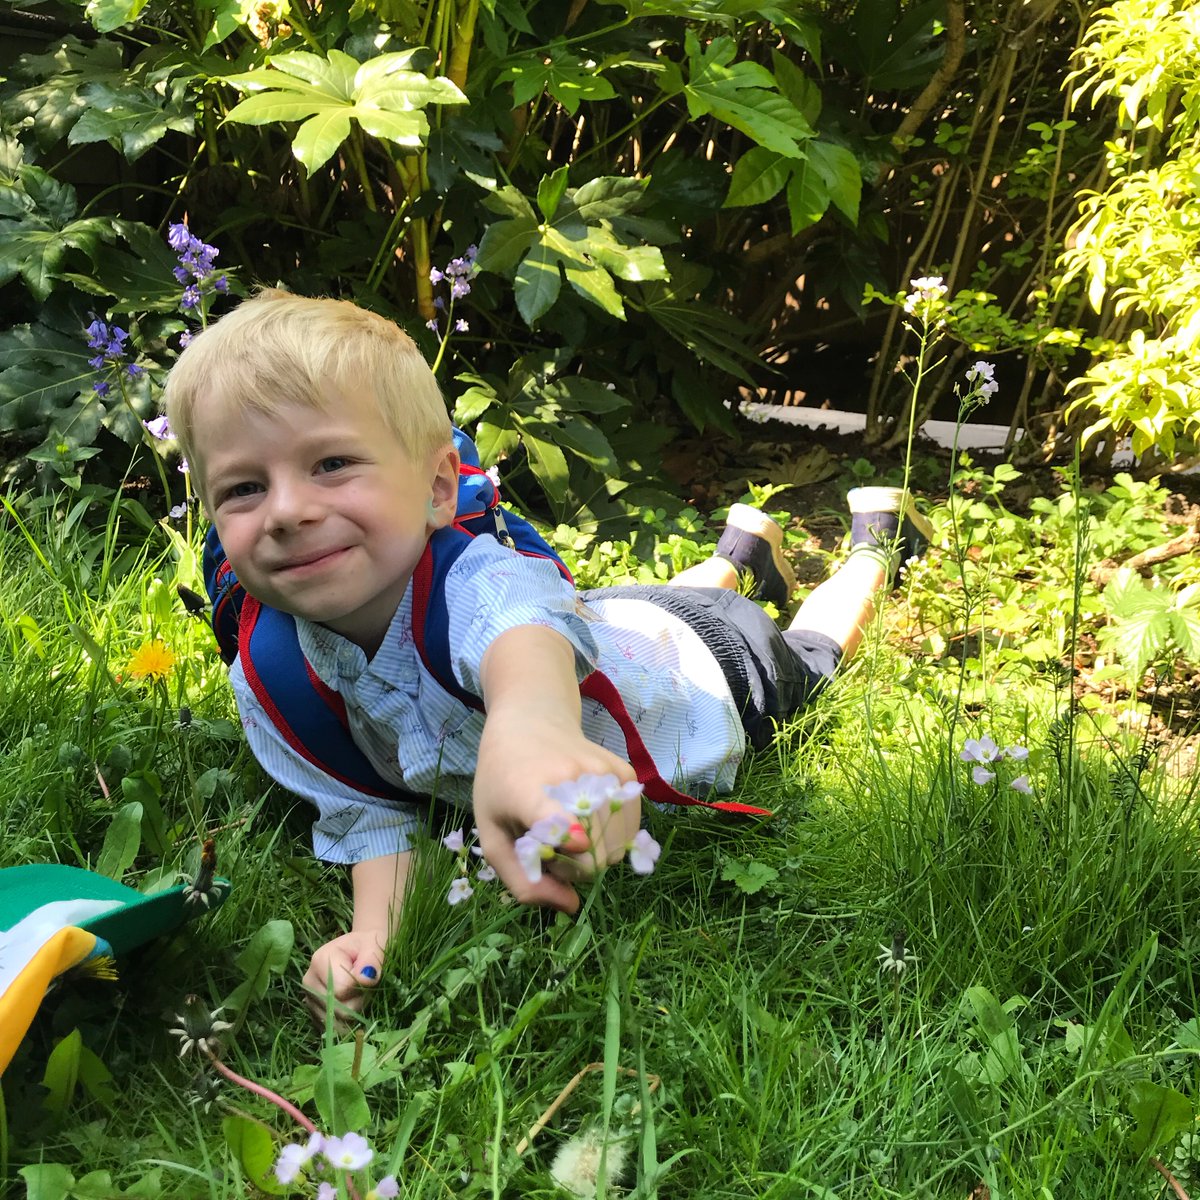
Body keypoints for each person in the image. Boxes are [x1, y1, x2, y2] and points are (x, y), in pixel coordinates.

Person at [163, 290, 931, 1016]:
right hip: (623, 619)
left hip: (712, 665)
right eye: (243, 489)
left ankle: (872, 554)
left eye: (331, 465)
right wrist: (376, 933)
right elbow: (369, 812)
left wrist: (530, 739)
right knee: (662, 598)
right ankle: (740, 551)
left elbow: (524, 647)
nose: (289, 511)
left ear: (437, 488)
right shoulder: (275, 679)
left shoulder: (482, 581)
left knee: (816, 650)